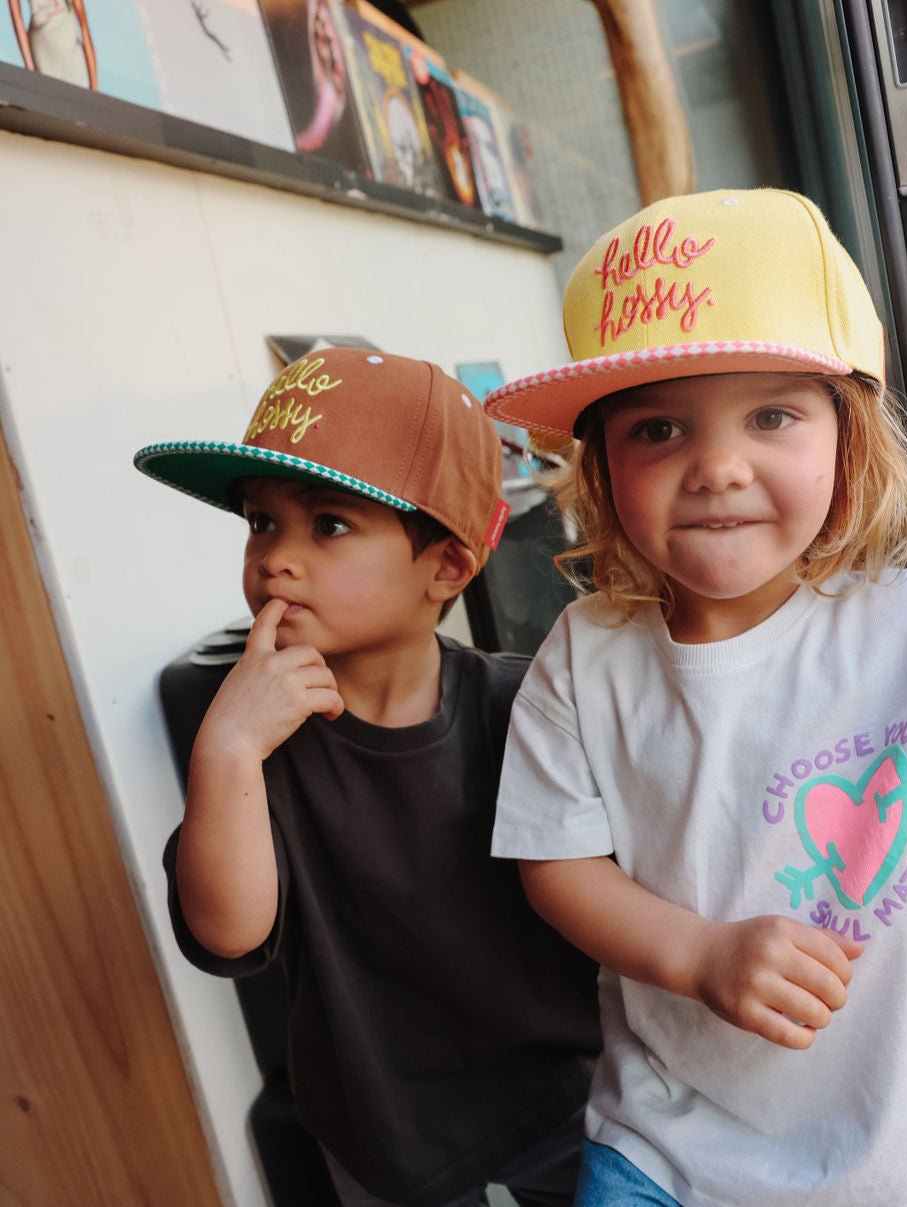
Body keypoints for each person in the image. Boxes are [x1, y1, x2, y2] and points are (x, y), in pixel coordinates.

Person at [482, 188, 907, 1207]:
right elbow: (554, 862)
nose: (716, 466)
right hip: (661, 1140)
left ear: (849, 439)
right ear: (601, 469)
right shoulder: (584, 651)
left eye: (770, 414)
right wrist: (697, 953)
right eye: (658, 429)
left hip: (883, 1148)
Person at [133, 347, 601, 1207]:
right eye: (261, 521)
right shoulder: (257, 734)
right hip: (382, 1134)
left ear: (448, 567)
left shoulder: (528, 707)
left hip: (568, 1104)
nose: (276, 557)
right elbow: (227, 936)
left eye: (330, 524)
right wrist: (225, 753)